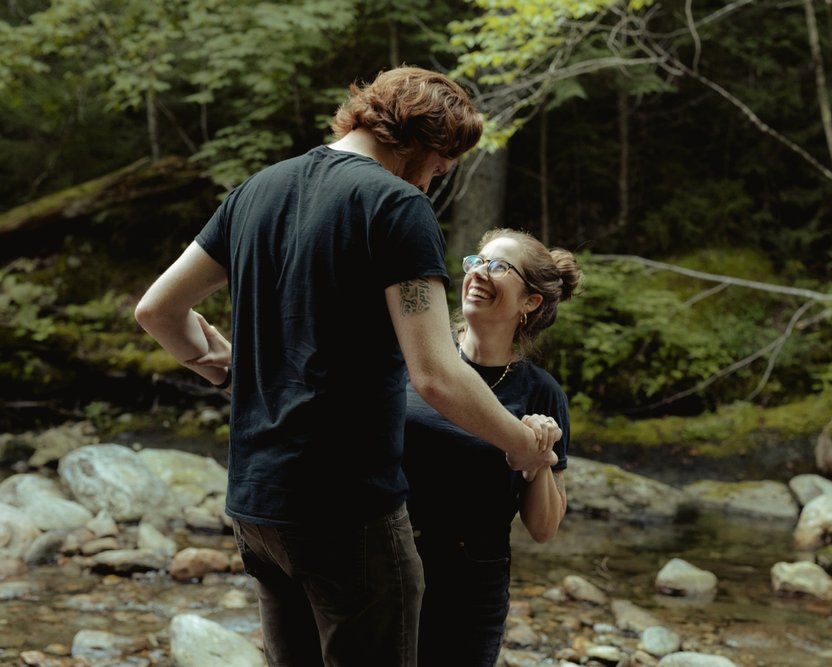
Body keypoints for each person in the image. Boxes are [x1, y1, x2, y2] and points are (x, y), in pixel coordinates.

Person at [133, 66, 558, 667]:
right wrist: (523, 444)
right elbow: (435, 375)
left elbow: (157, 310)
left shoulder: (256, 189)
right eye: (441, 167)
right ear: (427, 140)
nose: (436, 182)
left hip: (256, 505)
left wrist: (229, 371)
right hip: (345, 512)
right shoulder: (396, 205)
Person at [403, 227, 584, 666]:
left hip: (471, 587)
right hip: (389, 568)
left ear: (531, 302)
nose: (479, 273)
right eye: (476, 262)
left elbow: (543, 529)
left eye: (499, 267)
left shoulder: (542, 394)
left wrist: (538, 455)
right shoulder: (420, 354)